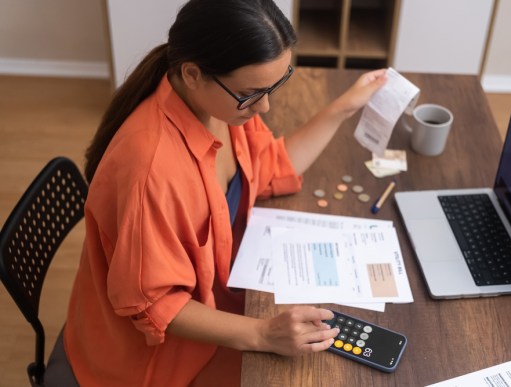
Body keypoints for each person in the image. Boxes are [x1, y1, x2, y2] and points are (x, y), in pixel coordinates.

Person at [61, 0, 388, 385]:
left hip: (225, 297)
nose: (264, 106)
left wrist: (344, 108)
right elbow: (155, 305)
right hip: (157, 357)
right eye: (252, 93)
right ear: (193, 74)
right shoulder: (150, 170)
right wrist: (264, 334)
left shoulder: (223, 107)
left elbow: (270, 168)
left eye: (276, 85)